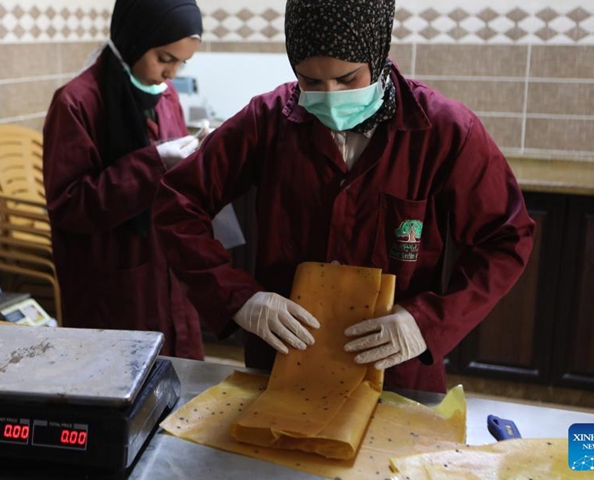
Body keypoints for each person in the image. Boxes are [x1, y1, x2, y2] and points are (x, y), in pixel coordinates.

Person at [152, 0, 535, 392]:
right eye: (311, 82)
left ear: (378, 54)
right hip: (281, 367)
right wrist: (240, 299)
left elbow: (506, 238)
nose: (330, 97)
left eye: (347, 79)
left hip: (397, 375)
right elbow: (177, 206)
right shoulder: (267, 122)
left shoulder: (444, 131)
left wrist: (427, 322)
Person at [42, 0, 205, 359]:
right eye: (164, 59)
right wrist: (154, 163)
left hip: (168, 274)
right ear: (135, 39)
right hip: (112, 283)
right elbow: (69, 204)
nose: (172, 73)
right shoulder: (77, 103)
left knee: (180, 387)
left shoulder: (165, 97)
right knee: (118, 383)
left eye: (182, 62)